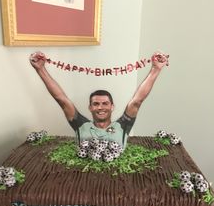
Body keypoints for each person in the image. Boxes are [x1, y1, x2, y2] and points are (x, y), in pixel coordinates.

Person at [29, 51, 169, 148]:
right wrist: (40, 69)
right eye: (96, 104)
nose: (100, 107)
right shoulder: (80, 125)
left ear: (112, 106)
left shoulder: (122, 126)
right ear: (90, 107)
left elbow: (137, 100)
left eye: (105, 103)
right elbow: (62, 99)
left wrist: (156, 69)